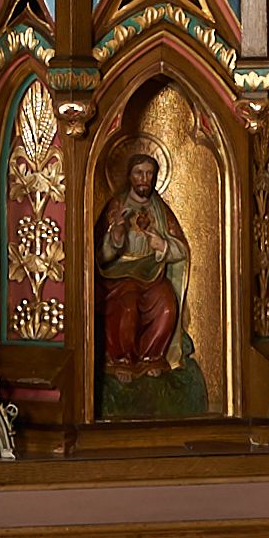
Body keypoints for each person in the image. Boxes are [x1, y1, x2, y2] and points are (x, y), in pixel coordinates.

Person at [97, 144, 197, 401]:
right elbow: (98, 254)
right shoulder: (117, 206)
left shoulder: (160, 210)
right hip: (118, 276)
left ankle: (152, 357)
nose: (144, 179)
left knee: (167, 305)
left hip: (151, 274)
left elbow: (181, 248)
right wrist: (116, 237)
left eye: (149, 173)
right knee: (127, 306)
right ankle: (121, 360)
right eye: (139, 173)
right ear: (129, 175)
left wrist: (162, 245)